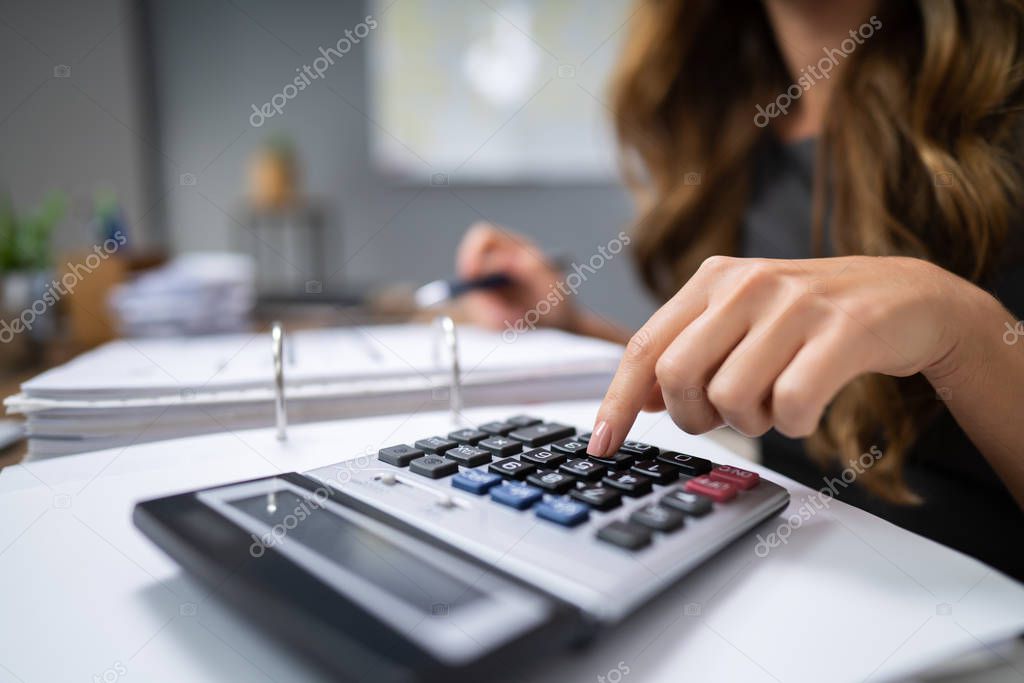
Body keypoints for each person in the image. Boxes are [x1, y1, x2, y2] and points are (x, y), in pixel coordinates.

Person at [454, 0, 1024, 581]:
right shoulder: (731, 115)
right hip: (795, 571)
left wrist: (963, 328)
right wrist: (570, 324)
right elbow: (740, 378)